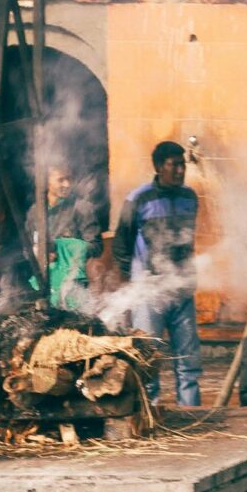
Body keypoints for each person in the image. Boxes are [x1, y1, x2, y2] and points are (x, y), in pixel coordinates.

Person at [112, 139, 202, 407]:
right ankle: (149, 416)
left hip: (182, 289)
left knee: (189, 362)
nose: (180, 171)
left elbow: (189, 242)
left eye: (182, 165)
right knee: (149, 361)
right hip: (150, 293)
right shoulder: (138, 199)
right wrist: (132, 286)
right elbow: (121, 245)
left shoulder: (190, 197)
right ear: (158, 167)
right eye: (174, 165)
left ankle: (191, 414)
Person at [41, 163, 103, 316]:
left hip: (74, 289)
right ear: (46, 181)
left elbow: (96, 246)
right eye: (60, 180)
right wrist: (39, 253)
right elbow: (27, 248)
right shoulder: (34, 212)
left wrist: (60, 247)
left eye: (70, 179)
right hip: (44, 287)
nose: (67, 184)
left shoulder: (81, 208)